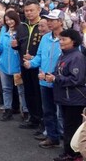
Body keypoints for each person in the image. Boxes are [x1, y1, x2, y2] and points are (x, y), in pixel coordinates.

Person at [24, 9, 64, 149]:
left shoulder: (68, 38)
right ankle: (52, 137)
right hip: (44, 80)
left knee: (62, 113)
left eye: (52, 20)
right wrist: (31, 63)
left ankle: (66, 139)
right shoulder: (45, 38)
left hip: (60, 81)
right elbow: (40, 56)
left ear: (60, 22)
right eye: (49, 20)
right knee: (48, 110)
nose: (49, 22)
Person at [47, 29, 86, 161]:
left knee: (72, 127)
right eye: (60, 39)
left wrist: (55, 79)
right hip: (65, 97)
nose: (60, 42)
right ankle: (69, 152)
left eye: (64, 39)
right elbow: (59, 72)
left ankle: (72, 154)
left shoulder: (77, 57)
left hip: (75, 99)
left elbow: (77, 79)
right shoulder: (64, 55)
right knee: (68, 125)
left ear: (73, 41)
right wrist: (51, 76)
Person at [0, 10, 27, 121]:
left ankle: (25, 112)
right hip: (4, 65)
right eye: (6, 20)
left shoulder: (21, 31)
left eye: (10, 19)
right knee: (6, 89)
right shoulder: (5, 32)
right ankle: (8, 110)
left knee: (21, 90)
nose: (9, 22)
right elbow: (0, 50)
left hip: (17, 66)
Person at [19, 0, 44, 130]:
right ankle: (33, 119)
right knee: (28, 92)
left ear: (38, 10)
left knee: (38, 94)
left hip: (38, 67)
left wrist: (33, 58)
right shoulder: (22, 26)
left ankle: (41, 121)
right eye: (26, 10)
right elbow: (19, 44)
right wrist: (16, 46)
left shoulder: (43, 25)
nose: (28, 13)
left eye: (31, 10)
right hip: (24, 65)